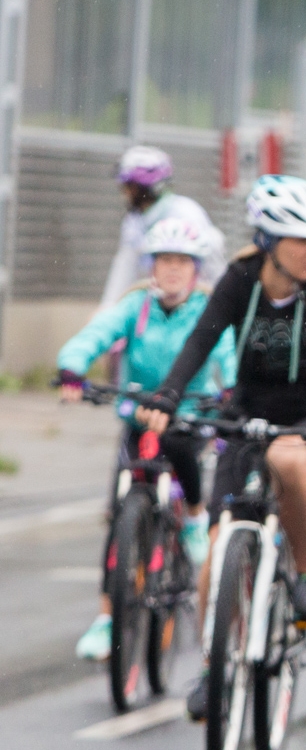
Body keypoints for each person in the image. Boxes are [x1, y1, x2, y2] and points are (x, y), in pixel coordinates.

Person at [137, 176, 306, 719]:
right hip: (247, 415)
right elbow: (202, 338)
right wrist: (169, 394)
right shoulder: (241, 279)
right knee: (217, 550)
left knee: (286, 459)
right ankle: (213, 667)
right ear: (269, 241)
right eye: (303, 240)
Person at [61, 218, 237, 662]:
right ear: (151, 266)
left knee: (180, 448)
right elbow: (95, 335)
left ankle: (193, 516)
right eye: (164, 260)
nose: (173, 269)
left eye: (182, 261)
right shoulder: (135, 306)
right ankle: (107, 619)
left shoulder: (207, 309)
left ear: (196, 268)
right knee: (119, 512)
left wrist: (233, 391)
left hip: (188, 416)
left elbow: (228, 353)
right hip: (138, 416)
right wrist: (72, 368)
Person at [102, 146, 225, 309]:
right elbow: (125, 267)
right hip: (153, 303)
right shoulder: (134, 220)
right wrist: (108, 308)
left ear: (148, 188)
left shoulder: (187, 214)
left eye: (130, 187)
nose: (125, 193)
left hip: (192, 305)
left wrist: (219, 309)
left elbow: (213, 270)